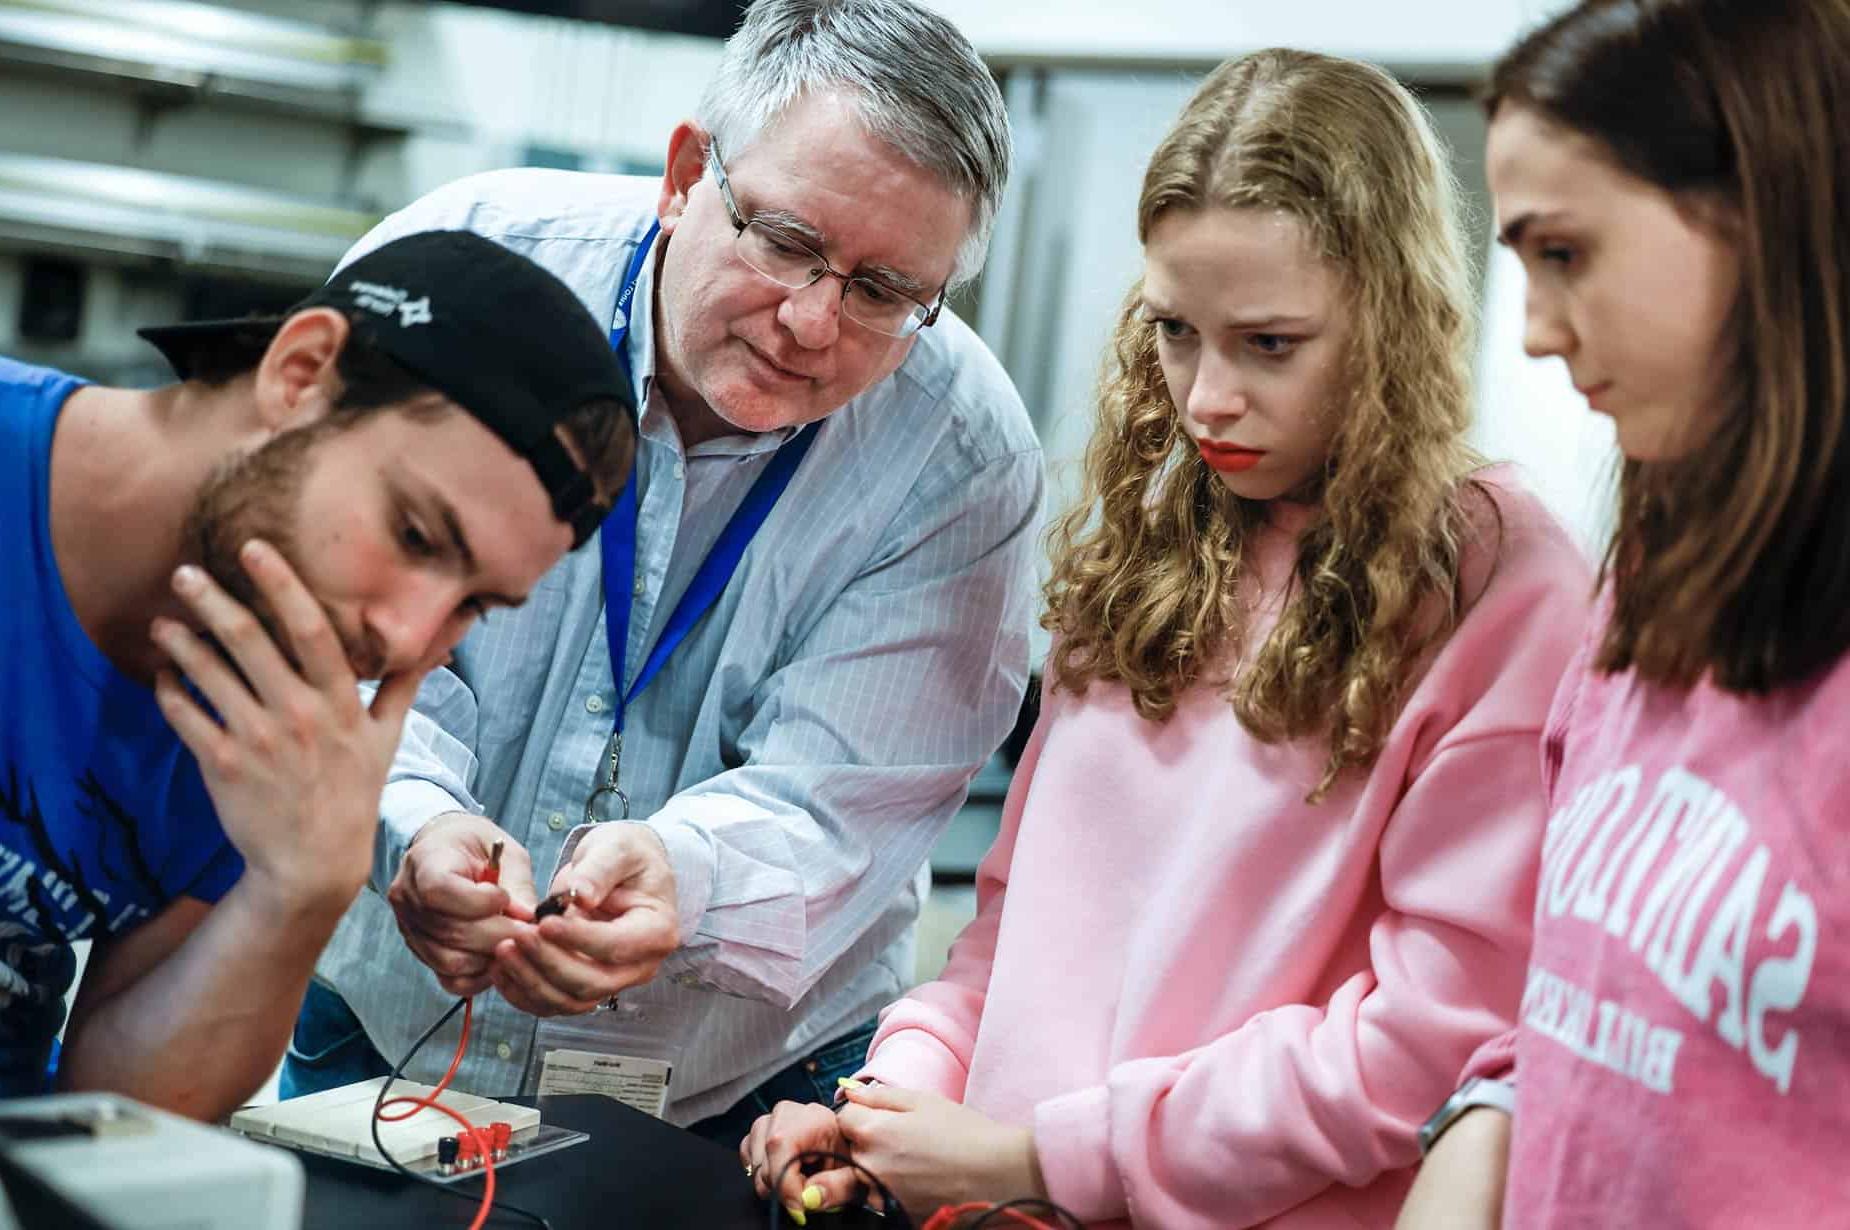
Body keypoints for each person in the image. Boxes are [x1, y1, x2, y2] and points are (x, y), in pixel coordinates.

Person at [741, 48, 1594, 1227]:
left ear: (1391, 322)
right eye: (1175, 332)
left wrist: (1043, 1156)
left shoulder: (1504, 580)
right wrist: (893, 1103)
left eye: (1269, 344)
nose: (1204, 400)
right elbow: (1007, 935)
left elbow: (1431, 1039)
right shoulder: (1153, 534)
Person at [283, 0, 1042, 1145]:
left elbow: (848, 796)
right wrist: (418, 823)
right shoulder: (457, 278)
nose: (810, 321)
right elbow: (329, 627)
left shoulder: (962, 457)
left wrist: (683, 876)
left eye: (884, 293)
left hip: (740, 1079)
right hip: (391, 1014)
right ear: (688, 173)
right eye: (785, 240)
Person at [0, 230, 636, 1120]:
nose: (408, 636)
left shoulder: (258, 717)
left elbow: (114, 1117)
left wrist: (301, 891)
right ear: (299, 374)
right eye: (414, 535)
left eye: (473, 606)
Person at [1395, 1, 1850, 1226]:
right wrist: (1484, 1115)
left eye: (1564, 253)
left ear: (1763, 210)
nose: (1537, 333)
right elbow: (1583, 997)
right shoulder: (1647, 585)